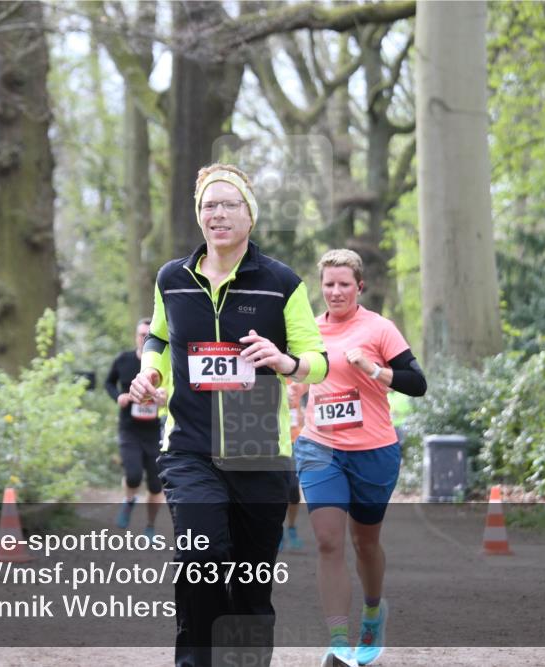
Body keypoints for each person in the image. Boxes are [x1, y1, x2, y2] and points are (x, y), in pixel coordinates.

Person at [129, 164, 328, 667]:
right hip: (190, 448)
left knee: (251, 586)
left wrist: (285, 362)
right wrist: (150, 371)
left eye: (228, 204)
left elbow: (318, 360)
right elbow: (159, 335)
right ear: (198, 217)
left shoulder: (280, 281)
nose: (217, 214)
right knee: (201, 562)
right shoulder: (172, 278)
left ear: (249, 215)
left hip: (258, 449)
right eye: (207, 206)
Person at [294, 249, 426, 666]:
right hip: (319, 448)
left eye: (344, 285)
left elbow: (417, 382)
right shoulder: (309, 332)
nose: (335, 292)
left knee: (365, 543)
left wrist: (373, 369)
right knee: (329, 541)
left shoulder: (380, 328)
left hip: (373, 451)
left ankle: (372, 614)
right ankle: (338, 643)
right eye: (329, 284)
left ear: (359, 287)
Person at [104, 318, 165, 537]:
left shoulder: (165, 362)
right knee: (133, 475)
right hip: (130, 429)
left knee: (157, 486)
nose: (145, 338)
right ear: (136, 336)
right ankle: (129, 500)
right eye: (141, 334)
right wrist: (118, 396)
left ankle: (150, 526)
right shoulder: (124, 360)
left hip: (156, 431)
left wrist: (164, 399)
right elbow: (108, 383)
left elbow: (175, 390)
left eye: (149, 334)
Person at [278, 379, 306, 552]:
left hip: (295, 442)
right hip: (273, 442)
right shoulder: (268, 375)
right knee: (276, 490)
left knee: (293, 491)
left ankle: (292, 527)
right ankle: (277, 530)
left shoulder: (299, 380)